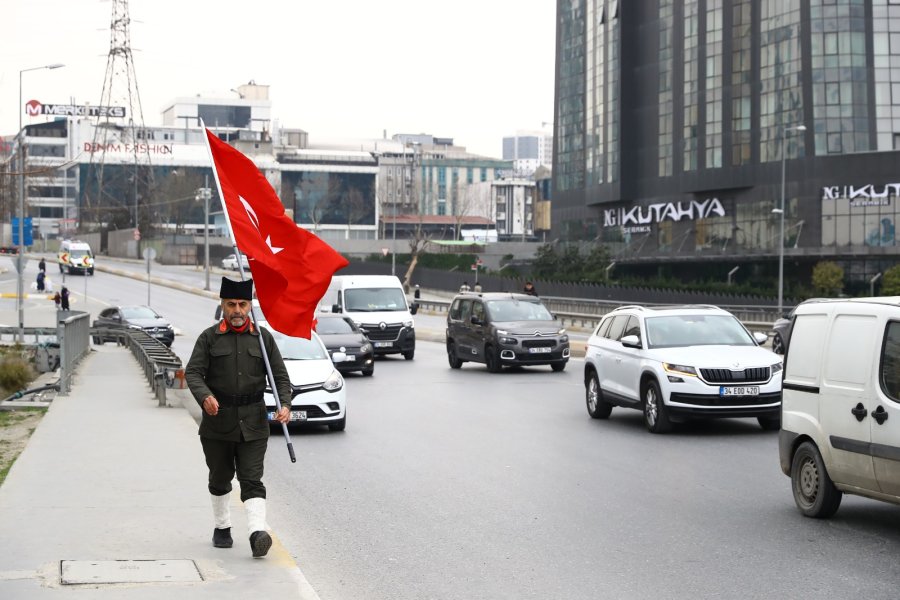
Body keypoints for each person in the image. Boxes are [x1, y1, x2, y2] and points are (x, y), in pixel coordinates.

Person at [185, 277, 292, 558]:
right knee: (220, 477)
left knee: (252, 478)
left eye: (242, 304)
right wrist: (204, 396)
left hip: (254, 422)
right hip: (218, 422)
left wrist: (285, 404)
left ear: (250, 306)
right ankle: (222, 527)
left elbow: (280, 377)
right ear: (222, 304)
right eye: (231, 304)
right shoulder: (209, 338)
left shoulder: (263, 338)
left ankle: (257, 532)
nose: (237, 310)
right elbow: (193, 373)